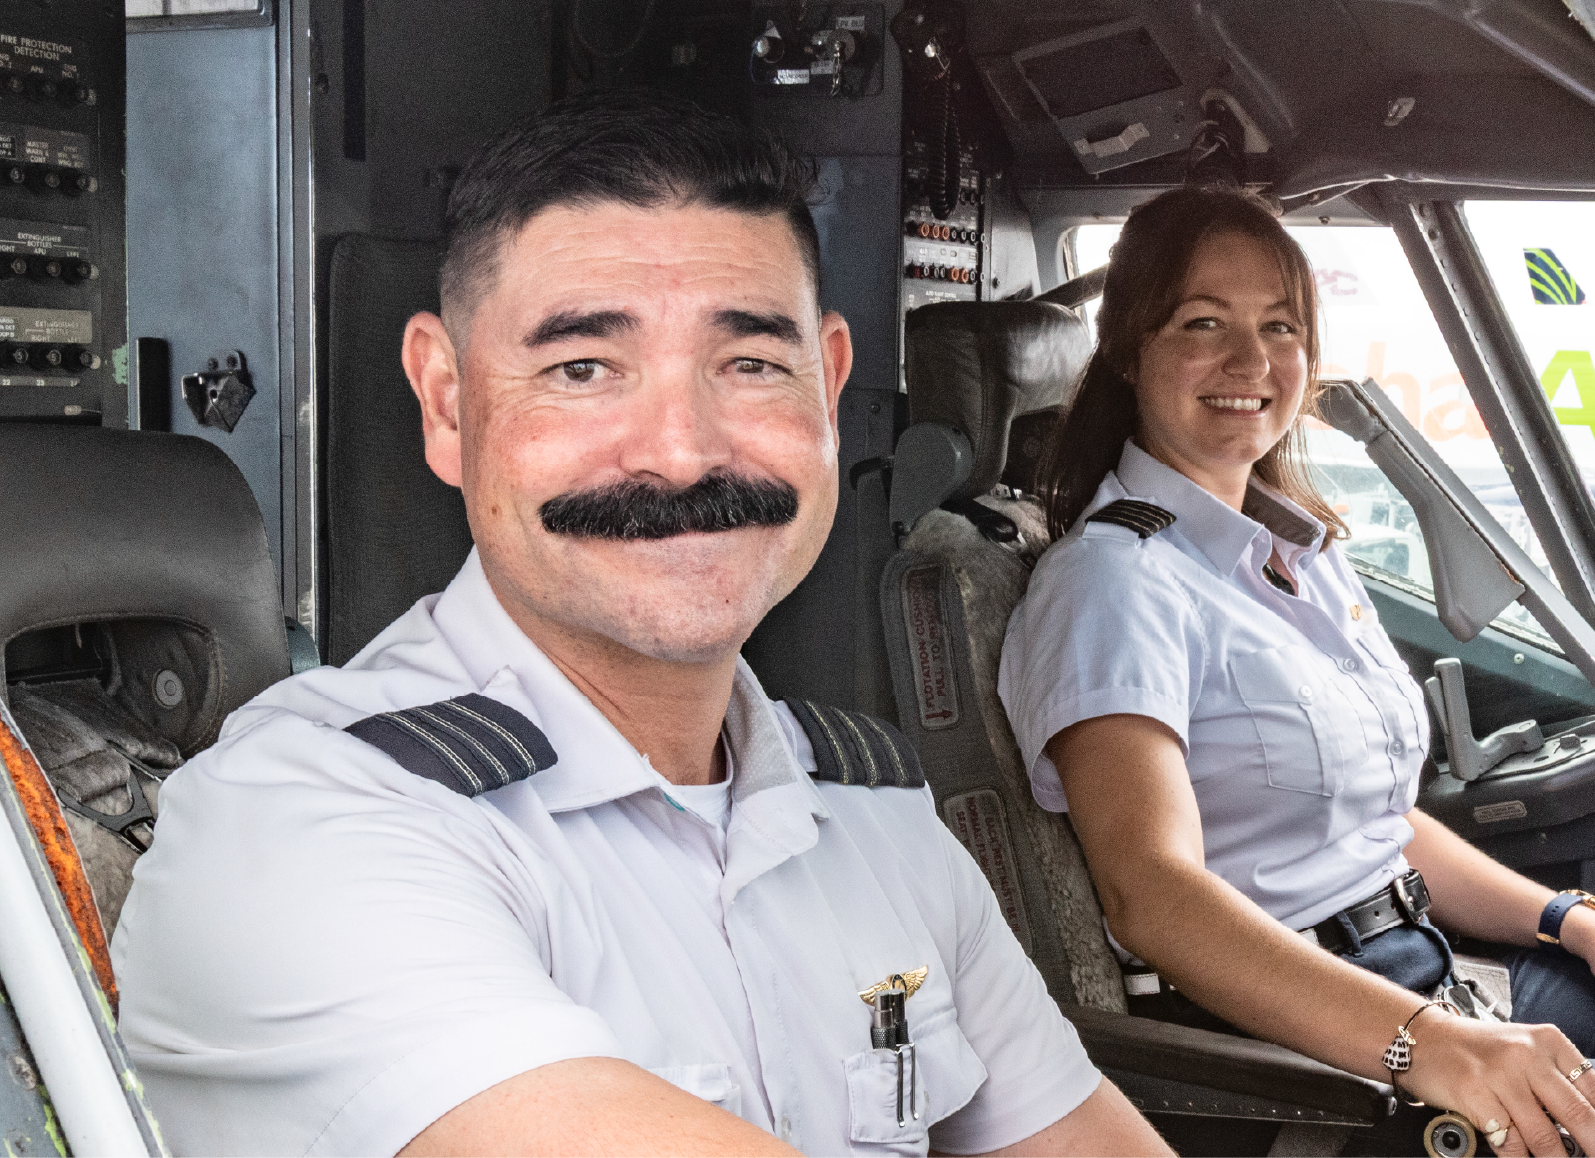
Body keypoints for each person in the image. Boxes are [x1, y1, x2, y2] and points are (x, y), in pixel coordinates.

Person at [113, 90, 1170, 1158]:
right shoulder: (301, 828)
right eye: (582, 369)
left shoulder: (870, 814)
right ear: (445, 403)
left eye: (749, 364)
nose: (679, 451)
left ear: (829, 382)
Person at [997, 185, 1595, 1158]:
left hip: (1425, 977)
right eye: (1201, 323)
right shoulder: (1112, 584)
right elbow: (1151, 893)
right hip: (1315, 1055)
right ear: (1130, 350)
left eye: (1278, 327)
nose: (1249, 362)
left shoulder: (1294, 553)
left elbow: (1373, 823)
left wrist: (1578, 928)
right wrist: (1433, 1049)